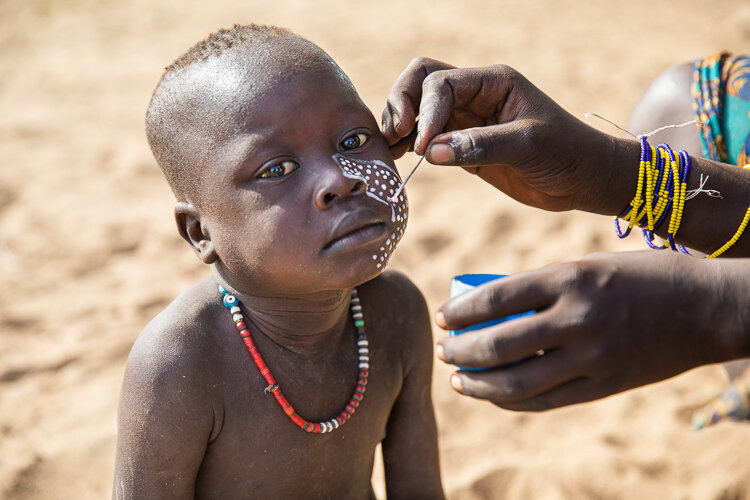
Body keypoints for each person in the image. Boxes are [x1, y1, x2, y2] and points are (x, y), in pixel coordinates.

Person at [113, 25, 444, 499]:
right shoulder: (179, 363)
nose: (340, 179)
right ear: (200, 232)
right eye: (277, 169)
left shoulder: (397, 312)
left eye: (353, 141)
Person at [381, 56, 750, 413]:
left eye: (351, 143)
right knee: (676, 103)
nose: (338, 181)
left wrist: (708, 306)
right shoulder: (703, 103)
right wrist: (608, 171)